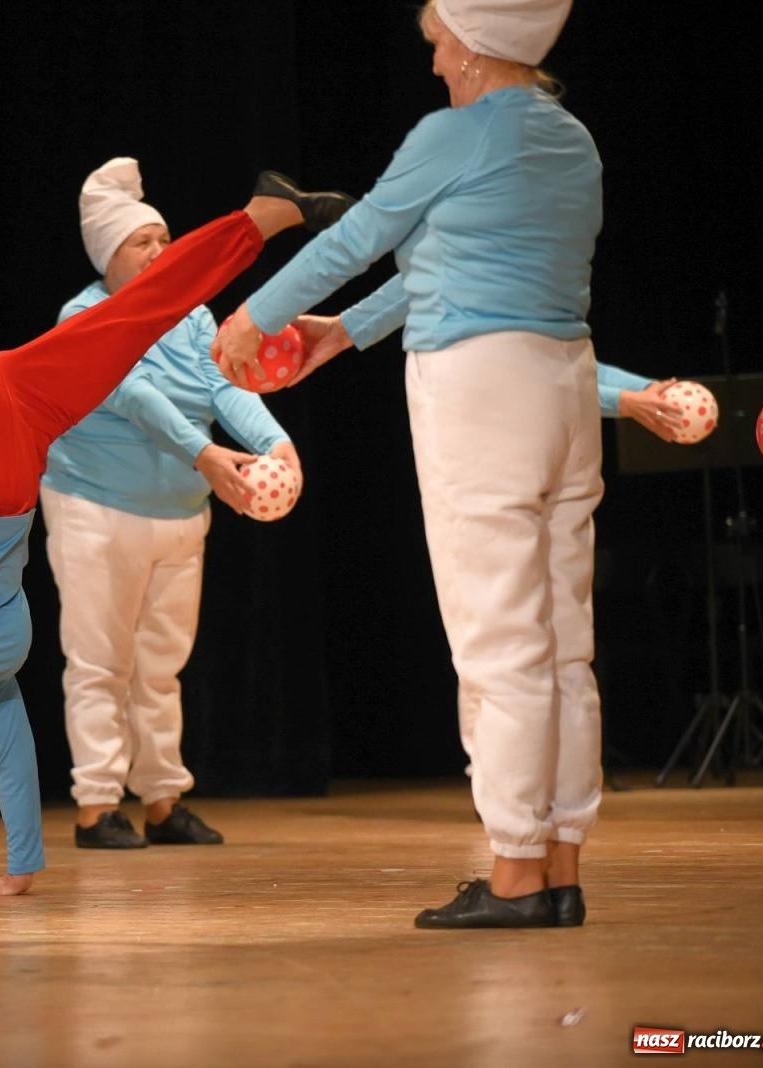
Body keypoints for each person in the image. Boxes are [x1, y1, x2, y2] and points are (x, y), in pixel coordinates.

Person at [0, 44, 351, 909]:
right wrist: (21, 868)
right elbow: (11, 752)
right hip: (8, 446)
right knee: (126, 318)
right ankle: (262, 216)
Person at [213, 0, 598, 928]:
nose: (433, 66)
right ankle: (558, 864)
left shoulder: (454, 133)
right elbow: (441, 259)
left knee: (497, 636)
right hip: (564, 383)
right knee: (563, 640)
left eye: (437, 46)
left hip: (480, 387)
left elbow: (359, 237)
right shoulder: (571, 140)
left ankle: (512, 873)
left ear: (471, 43)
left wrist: (251, 317)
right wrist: (343, 333)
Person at [41, 157, 299, 850]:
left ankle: (161, 799)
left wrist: (277, 443)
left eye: (163, 238)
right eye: (141, 243)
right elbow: (133, 394)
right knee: (101, 662)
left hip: (181, 515)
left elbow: (222, 385)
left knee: (160, 666)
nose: (160, 252)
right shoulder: (84, 315)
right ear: (107, 255)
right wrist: (206, 455)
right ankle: (97, 805)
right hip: (98, 509)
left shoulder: (191, 315)